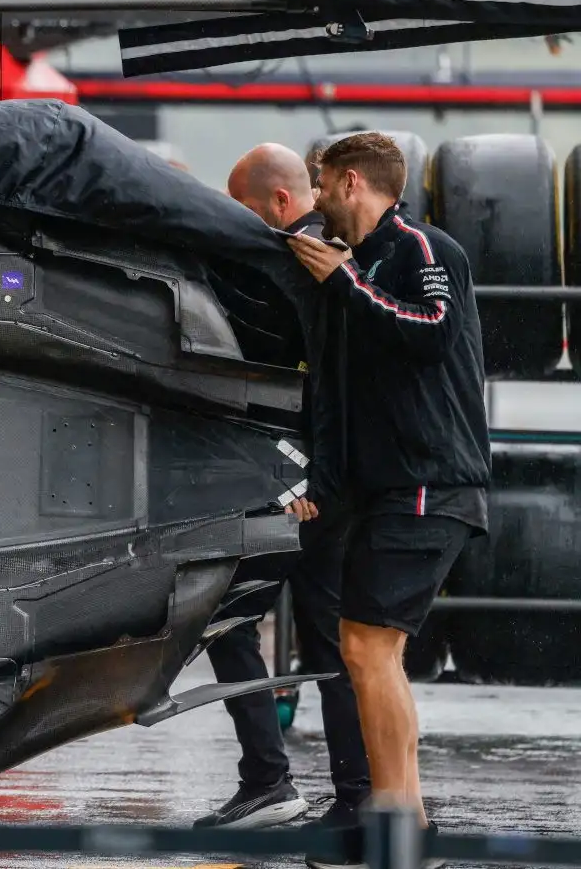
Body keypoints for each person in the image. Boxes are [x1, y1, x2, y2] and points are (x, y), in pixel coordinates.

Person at [285, 132, 489, 869]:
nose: (311, 202)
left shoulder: (422, 248)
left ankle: (399, 826)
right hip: (387, 488)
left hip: (432, 481)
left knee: (369, 649)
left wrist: (344, 283)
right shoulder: (351, 269)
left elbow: (432, 334)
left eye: (317, 186)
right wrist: (316, 486)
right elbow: (335, 391)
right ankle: (404, 822)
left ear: (347, 182)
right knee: (373, 653)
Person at [192, 144, 371, 831]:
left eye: (242, 209)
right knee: (332, 641)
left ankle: (268, 779)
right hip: (333, 484)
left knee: (227, 613)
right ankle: (354, 796)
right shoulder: (338, 261)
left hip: (296, 484)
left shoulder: (293, 263)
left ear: (278, 201)